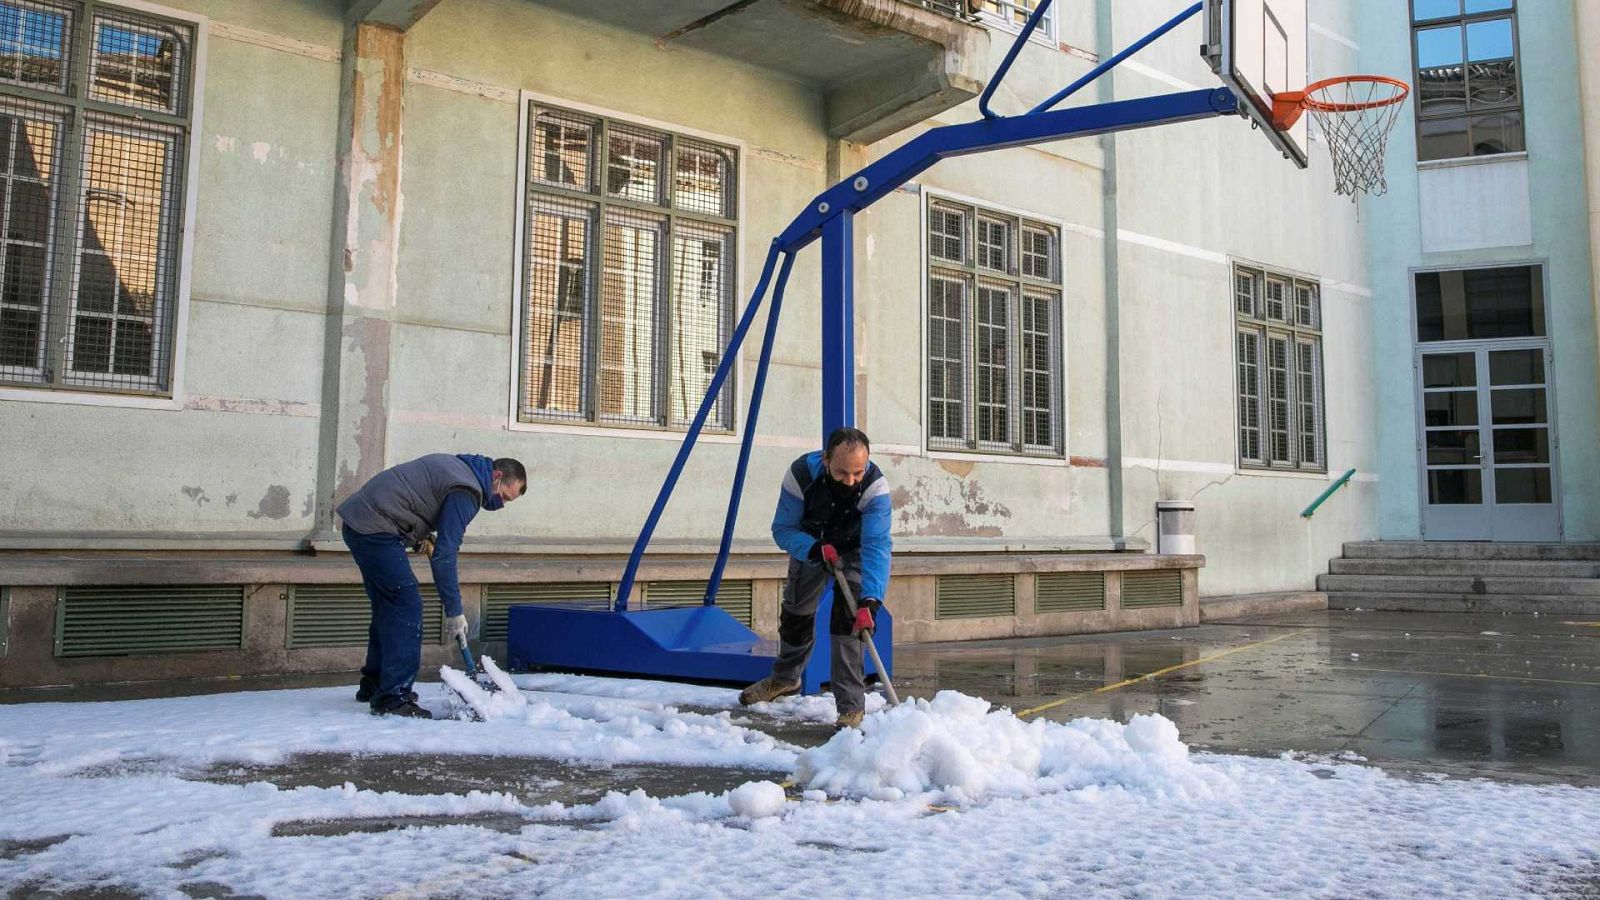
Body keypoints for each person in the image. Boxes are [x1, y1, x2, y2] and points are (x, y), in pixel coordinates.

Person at [337, 453, 527, 717]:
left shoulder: (459, 468)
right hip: (375, 529)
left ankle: (376, 684)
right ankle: (393, 697)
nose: (501, 504)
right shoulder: (467, 491)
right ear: (497, 477)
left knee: (388, 606)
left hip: (361, 521)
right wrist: (454, 611)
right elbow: (445, 555)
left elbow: (413, 498)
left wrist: (419, 535)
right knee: (406, 605)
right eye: (505, 496)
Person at [738, 427, 892, 728]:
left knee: (849, 622)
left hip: (855, 550)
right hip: (811, 546)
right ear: (825, 460)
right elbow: (782, 529)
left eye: (858, 473)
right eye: (842, 473)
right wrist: (813, 548)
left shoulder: (875, 487)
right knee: (796, 616)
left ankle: (850, 708)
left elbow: (877, 546)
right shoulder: (801, 476)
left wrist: (870, 600)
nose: (850, 481)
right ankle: (785, 680)